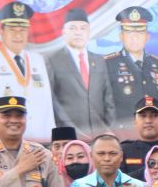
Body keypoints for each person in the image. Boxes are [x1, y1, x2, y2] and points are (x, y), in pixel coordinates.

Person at [0, 2, 56, 140]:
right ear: (2, 32)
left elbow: (47, 105)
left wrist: (51, 136)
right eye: (12, 30)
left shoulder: (37, 60)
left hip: (41, 140)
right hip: (6, 140)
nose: (18, 36)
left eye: (22, 30)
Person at [45, 8, 117, 137]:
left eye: (83, 28)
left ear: (88, 32)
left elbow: (108, 98)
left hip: (100, 134)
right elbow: (52, 101)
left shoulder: (99, 60)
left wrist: (108, 128)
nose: (78, 32)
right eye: (72, 28)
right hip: (69, 135)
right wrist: (70, 129)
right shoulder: (53, 60)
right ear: (63, 32)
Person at [105, 6, 158, 125]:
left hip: (153, 130)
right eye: (129, 32)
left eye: (140, 32)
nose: (135, 37)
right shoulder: (108, 65)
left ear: (147, 37)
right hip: (123, 132)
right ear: (121, 36)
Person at [120, 96, 158, 179]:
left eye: (154, 115)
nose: (148, 121)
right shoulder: (124, 151)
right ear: (134, 120)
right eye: (143, 116)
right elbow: (117, 181)